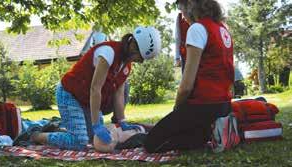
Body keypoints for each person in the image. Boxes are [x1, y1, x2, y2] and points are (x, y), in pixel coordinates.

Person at [28, 26, 161, 150]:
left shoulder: (126, 66)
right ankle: (35, 135)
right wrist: (96, 124)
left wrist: (122, 121)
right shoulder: (108, 53)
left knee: (95, 139)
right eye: (140, 57)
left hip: (87, 100)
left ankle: (58, 127)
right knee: (79, 141)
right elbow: (95, 89)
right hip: (69, 94)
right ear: (134, 47)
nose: (140, 61)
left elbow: (119, 94)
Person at [144, 0, 234, 153]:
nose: (183, 16)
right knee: (189, 132)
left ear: (191, 5)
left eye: (182, 9)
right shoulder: (222, 29)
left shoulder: (197, 28)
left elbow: (186, 87)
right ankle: (210, 132)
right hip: (224, 105)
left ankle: (207, 133)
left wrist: (177, 109)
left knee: (151, 143)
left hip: (203, 104)